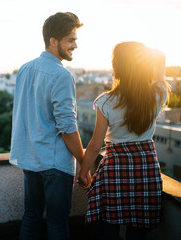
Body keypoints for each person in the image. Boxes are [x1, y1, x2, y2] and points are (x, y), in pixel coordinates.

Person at [77, 42, 170, 240]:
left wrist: (83, 173)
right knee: (138, 231)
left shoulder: (106, 101)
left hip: (115, 170)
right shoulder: (157, 95)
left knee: (108, 228)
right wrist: (157, 58)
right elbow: (160, 75)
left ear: (117, 67)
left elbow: (94, 145)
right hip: (146, 170)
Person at [9, 12, 88, 240]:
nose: (75, 45)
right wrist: (84, 162)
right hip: (54, 163)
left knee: (31, 217)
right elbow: (67, 127)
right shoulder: (61, 75)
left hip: (31, 159)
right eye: (70, 40)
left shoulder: (24, 69)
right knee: (58, 225)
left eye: (75, 40)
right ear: (53, 41)